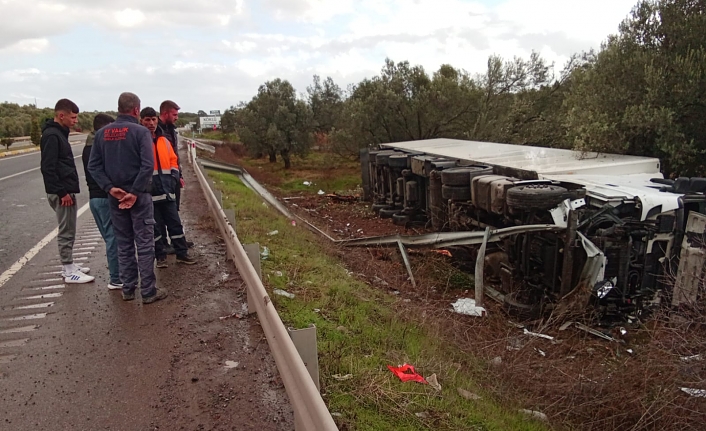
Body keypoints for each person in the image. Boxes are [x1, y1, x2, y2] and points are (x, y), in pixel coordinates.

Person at [88, 92, 167, 304]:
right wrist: (134, 192)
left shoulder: (102, 134)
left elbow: (93, 166)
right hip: (139, 197)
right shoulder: (140, 132)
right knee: (144, 242)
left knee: (123, 244)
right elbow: (147, 165)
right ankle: (149, 291)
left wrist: (110, 188)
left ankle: (128, 288)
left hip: (116, 198)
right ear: (136, 110)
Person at [40, 98, 95, 284]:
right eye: (73, 117)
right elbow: (48, 168)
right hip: (61, 192)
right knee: (66, 230)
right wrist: (62, 192)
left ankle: (70, 264)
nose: (75, 121)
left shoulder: (59, 134)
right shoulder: (52, 136)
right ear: (61, 115)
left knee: (70, 228)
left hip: (64, 190)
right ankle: (68, 268)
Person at [139, 107, 197, 267]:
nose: (151, 123)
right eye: (147, 120)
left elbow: (173, 160)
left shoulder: (164, 140)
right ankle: (161, 257)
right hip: (150, 193)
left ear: (157, 120)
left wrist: (174, 177)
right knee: (155, 228)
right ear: (141, 121)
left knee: (175, 224)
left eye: (153, 119)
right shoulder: (139, 140)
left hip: (167, 190)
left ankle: (182, 254)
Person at [82, 113, 121, 290]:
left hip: (94, 198)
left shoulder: (88, 145)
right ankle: (116, 278)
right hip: (105, 198)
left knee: (110, 238)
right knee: (114, 238)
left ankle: (118, 275)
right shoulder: (98, 146)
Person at [157, 100, 194, 252]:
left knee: (173, 210)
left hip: (172, 176)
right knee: (162, 213)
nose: (177, 117)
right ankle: (164, 245)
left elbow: (174, 155)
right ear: (165, 113)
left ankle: (176, 241)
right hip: (160, 179)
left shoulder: (171, 129)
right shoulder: (156, 130)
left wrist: (179, 175)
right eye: (174, 114)